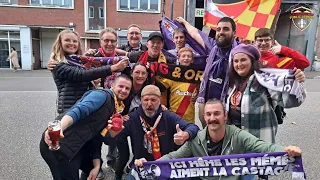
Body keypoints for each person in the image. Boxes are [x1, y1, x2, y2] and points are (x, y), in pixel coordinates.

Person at [134, 99, 303, 180]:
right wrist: (149, 165)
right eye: (208, 114)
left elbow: (262, 146)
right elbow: (173, 157)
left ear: (225, 116)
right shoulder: (197, 139)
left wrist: (284, 150)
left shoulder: (238, 135)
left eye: (216, 114)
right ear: (204, 117)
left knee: (250, 173)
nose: (212, 118)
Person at [40, 75, 132, 180]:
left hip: (78, 146)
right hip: (59, 145)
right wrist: (60, 127)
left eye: (127, 88)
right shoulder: (102, 96)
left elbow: (97, 138)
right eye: (121, 86)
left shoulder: (116, 108)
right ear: (112, 85)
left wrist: (97, 166)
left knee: (91, 167)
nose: (124, 90)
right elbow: (78, 111)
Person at [108, 85, 199, 180]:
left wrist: (185, 134)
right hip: (142, 164)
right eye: (146, 100)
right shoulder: (132, 118)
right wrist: (112, 133)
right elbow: (111, 139)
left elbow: (193, 127)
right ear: (141, 100)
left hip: (166, 164)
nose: (149, 104)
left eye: (153, 100)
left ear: (160, 100)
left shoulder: (168, 116)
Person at [226, 44, 306, 143]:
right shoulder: (232, 82)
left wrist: (297, 82)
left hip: (259, 141)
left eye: (243, 60)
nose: (239, 64)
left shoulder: (265, 79)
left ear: (252, 61)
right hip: (235, 141)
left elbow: (289, 102)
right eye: (236, 61)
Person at [176, 16, 238, 128]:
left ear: (234, 33)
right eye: (218, 29)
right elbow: (195, 33)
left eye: (225, 29)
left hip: (226, 105)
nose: (221, 32)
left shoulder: (239, 53)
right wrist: (184, 22)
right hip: (205, 102)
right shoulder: (212, 46)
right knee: (208, 135)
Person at [49, 29, 128, 117]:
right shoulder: (59, 64)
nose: (71, 43)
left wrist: (93, 83)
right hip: (70, 108)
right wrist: (114, 67)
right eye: (67, 40)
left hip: (90, 106)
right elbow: (82, 75)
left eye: (75, 41)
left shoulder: (80, 61)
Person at [157, 47, 199, 123]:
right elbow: (159, 88)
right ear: (178, 59)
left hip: (189, 120)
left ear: (192, 60)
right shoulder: (173, 75)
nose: (186, 58)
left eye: (189, 56)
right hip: (173, 118)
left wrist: (197, 96)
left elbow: (202, 92)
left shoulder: (196, 77)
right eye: (183, 56)